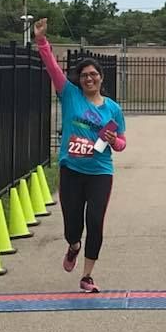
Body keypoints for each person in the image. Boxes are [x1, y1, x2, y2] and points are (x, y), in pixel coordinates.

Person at [33, 17, 126, 293]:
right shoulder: (69, 94)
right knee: (72, 226)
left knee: (95, 222)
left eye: (93, 74)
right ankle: (73, 246)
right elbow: (51, 68)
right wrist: (41, 41)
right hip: (71, 170)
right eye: (84, 75)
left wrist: (114, 140)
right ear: (80, 80)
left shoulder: (113, 109)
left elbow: (121, 144)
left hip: (100, 171)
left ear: (101, 78)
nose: (89, 78)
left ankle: (87, 276)